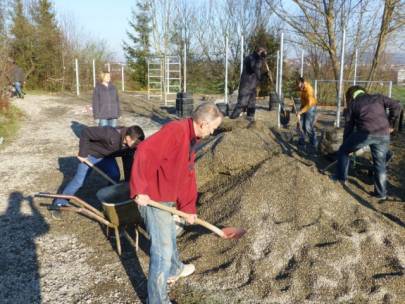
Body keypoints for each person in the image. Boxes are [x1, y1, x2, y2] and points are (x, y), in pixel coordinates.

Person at [130, 102, 223, 304]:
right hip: (153, 198)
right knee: (162, 252)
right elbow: (144, 150)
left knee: (170, 235)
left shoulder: (191, 139)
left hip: (167, 195)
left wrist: (188, 207)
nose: (214, 131)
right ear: (203, 123)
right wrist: (140, 190)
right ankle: (156, 300)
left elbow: (187, 175)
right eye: (213, 127)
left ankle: (175, 269)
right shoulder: (175, 131)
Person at [51, 125, 145, 209]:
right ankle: (59, 203)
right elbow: (86, 132)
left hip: (106, 158)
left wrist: (128, 183)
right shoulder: (110, 133)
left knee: (115, 175)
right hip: (90, 156)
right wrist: (82, 153)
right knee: (79, 181)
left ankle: (108, 200)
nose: (137, 146)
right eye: (136, 143)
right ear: (128, 137)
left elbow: (127, 163)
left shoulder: (130, 147)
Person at [334, 85, 402, 200]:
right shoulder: (378, 97)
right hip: (383, 133)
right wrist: (391, 124)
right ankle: (381, 193)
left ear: (351, 95)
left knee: (343, 151)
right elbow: (397, 105)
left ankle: (341, 179)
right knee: (379, 163)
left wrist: (346, 146)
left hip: (365, 134)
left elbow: (348, 127)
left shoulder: (353, 104)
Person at [230, 47, 267, 121]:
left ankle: (250, 121)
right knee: (242, 104)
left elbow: (258, 74)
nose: (265, 55)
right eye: (264, 53)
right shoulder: (250, 58)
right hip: (246, 85)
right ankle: (232, 120)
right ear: (260, 51)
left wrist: (264, 75)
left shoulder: (257, 59)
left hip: (253, 85)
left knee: (252, 105)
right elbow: (255, 68)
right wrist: (260, 59)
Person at [296, 77, 318, 151]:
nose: (298, 86)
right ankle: (301, 142)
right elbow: (298, 89)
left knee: (307, 126)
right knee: (301, 125)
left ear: (303, 82)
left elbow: (309, 104)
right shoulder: (301, 87)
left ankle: (314, 143)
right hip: (304, 105)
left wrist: (300, 112)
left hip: (310, 107)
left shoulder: (309, 90)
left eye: (298, 84)